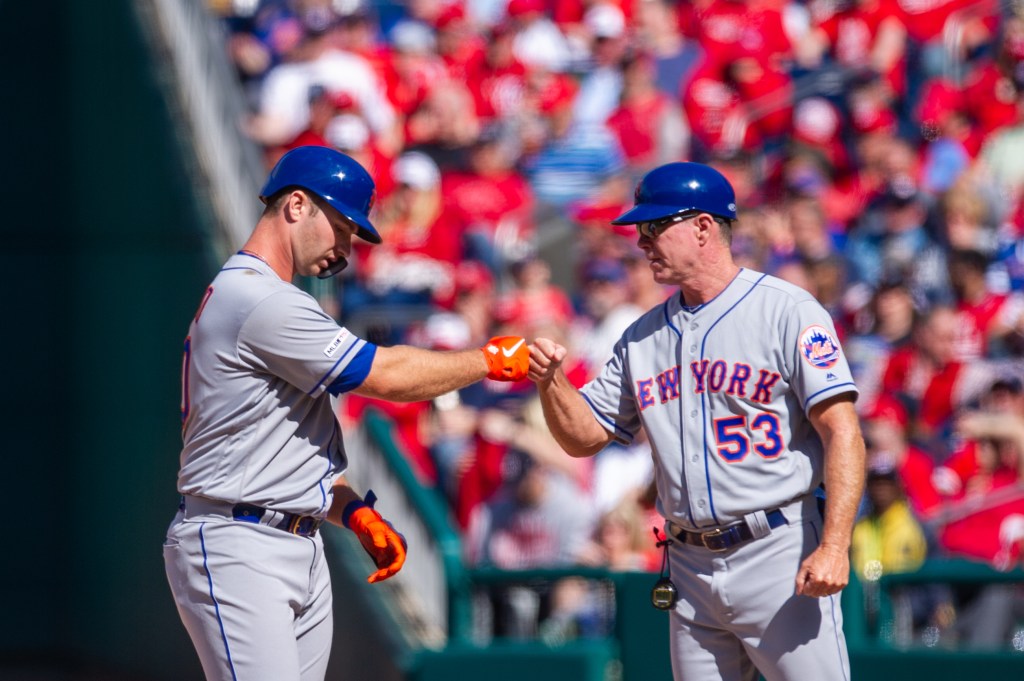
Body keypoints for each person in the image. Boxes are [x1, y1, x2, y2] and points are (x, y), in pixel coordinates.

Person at [163, 146, 531, 681]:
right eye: (340, 226)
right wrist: (488, 360)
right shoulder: (261, 300)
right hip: (237, 542)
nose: (345, 248)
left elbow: (280, 444)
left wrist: (351, 509)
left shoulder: (268, 297)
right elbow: (387, 376)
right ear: (295, 206)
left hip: (290, 535)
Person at [528, 162, 866, 680]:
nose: (641, 242)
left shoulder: (787, 311)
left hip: (778, 549)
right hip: (688, 564)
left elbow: (842, 431)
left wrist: (836, 545)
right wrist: (551, 381)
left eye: (653, 228)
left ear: (703, 227)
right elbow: (582, 437)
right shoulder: (641, 337)